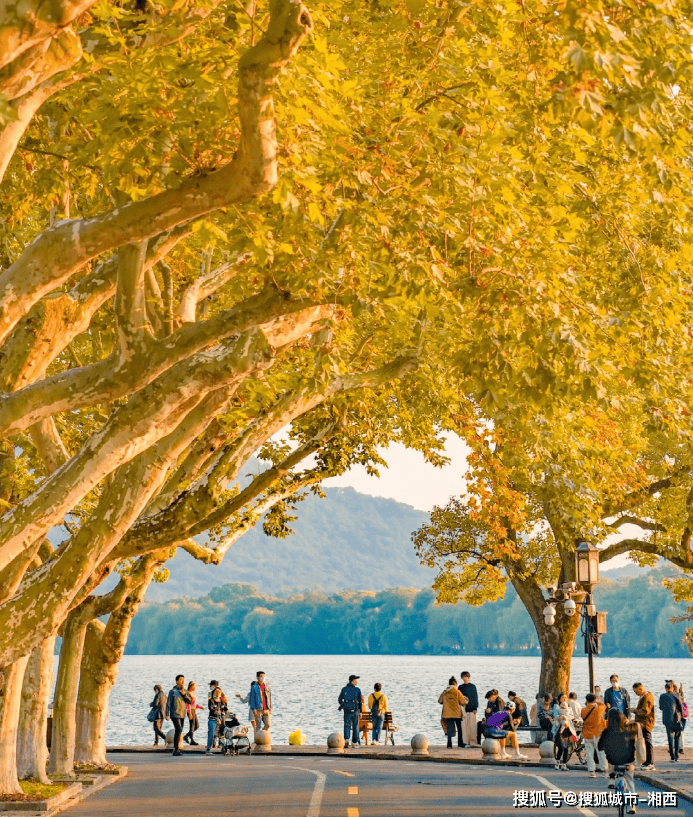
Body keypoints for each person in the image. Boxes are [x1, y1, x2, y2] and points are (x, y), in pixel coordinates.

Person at [598, 709, 639, 815]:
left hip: (613, 761)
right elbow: (635, 742)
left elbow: (600, 747)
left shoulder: (606, 732)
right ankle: (632, 806)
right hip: (629, 761)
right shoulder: (629, 729)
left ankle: (611, 779)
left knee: (610, 764)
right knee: (630, 781)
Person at [581, 692, 607, 778]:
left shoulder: (583, 710)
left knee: (589, 753)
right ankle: (604, 771)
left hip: (587, 734)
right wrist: (597, 702)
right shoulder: (599, 709)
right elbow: (603, 705)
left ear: (586, 700)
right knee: (601, 752)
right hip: (597, 733)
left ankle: (592, 771)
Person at [165, 674, 192, 756]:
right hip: (174, 714)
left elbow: (190, 701)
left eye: (184, 680)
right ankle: (176, 748)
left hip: (182, 714)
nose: (183, 681)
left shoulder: (185, 691)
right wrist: (167, 714)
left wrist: (184, 694)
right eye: (181, 680)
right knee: (179, 729)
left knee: (179, 731)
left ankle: (177, 749)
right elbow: (168, 703)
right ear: (177, 681)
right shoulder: (172, 691)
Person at [631, 682, 655, 770]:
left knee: (648, 742)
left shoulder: (647, 697)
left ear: (640, 689)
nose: (636, 694)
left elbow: (645, 711)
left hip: (646, 723)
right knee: (646, 742)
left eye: (636, 692)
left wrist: (634, 711)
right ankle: (647, 761)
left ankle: (650, 762)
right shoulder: (645, 696)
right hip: (643, 723)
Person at [438, 677, 468, 749]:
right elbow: (463, 702)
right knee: (459, 728)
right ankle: (460, 744)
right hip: (457, 713)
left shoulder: (445, 692)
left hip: (447, 714)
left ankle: (449, 744)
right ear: (455, 684)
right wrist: (466, 700)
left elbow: (440, 701)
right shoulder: (457, 691)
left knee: (449, 729)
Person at [659, 681, 683, 762]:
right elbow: (680, 707)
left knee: (670, 738)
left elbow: (661, 707)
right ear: (672, 688)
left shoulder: (662, 696)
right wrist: (681, 717)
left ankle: (672, 757)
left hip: (667, 719)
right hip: (677, 719)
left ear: (666, 689)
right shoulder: (677, 695)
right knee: (677, 738)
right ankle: (677, 756)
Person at [338, 674, 363, 747]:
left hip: (346, 710)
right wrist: (360, 711)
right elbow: (360, 701)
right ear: (353, 681)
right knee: (355, 727)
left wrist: (344, 705)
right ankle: (354, 742)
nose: (357, 682)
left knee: (347, 725)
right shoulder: (357, 690)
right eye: (356, 681)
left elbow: (339, 700)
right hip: (355, 710)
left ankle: (346, 739)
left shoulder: (344, 689)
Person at [553, 698, 578, 770]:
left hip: (567, 729)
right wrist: (560, 717)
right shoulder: (557, 709)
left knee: (566, 748)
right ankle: (557, 763)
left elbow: (572, 716)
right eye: (562, 698)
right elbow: (556, 717)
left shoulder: (569, 709)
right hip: (559, 730)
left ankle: (564, 764)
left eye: (565, 698)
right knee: (561, 747)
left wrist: (566, 717)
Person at [206, 686, 227, 755]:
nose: (217, 693)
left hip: (220, 720)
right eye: (216, 691)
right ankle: (208, 749)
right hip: (213, 719)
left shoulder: (222, 702)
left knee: (222, 734)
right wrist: (216, 711)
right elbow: (211, 708)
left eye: (219, 692)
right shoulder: (211, 700)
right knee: (211, 734)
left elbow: (224, 710)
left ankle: (223, 747)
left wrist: (223, 715)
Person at [460, 671, 478, 746]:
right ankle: (466, 742)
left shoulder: (473, 686)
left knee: (473, 727)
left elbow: (475, 697)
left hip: (472, 709)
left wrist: (475, 708)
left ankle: (473, 742)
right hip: (464, 709)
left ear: (469, 677)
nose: (465, 678)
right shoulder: (460, 687)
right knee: (464, 728)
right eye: (463, 677)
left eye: (466, 677)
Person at [184, 681, 202, 746]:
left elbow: (194, 704)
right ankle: (192, 740)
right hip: (190, 711)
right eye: (195, 686)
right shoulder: (188, 693)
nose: (196, 687)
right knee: (192, 726)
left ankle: (186, 736)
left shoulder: (194, 693)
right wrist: (189, 713)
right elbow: (188, 704)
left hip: (194, 710)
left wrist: (199, 707)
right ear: (192, 686)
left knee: (196, 726)